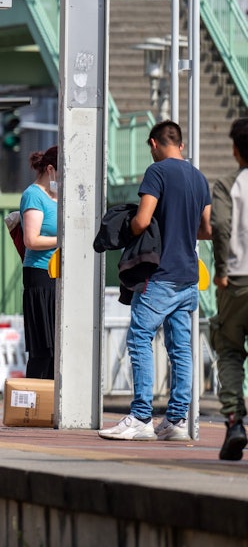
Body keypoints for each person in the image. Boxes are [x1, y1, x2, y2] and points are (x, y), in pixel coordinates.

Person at [99, 121, 211, 442]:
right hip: (188, 277)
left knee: (139, 339)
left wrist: (131, 227)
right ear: (181, 145)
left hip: (159, 275)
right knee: (180, 349)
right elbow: (206, 229)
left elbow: (142, 221)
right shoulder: (198, 177)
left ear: (153, 143)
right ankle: (176, 420)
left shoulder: (157, 172)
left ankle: (140, 417)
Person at [208, 117, 248, 461]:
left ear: (236, 151)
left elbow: (219, 225)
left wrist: (221, 270)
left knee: (230, 349)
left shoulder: (226, 186)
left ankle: (235, 422)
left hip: (235, 282)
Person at [19, 146, 59, 380]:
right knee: (43, 349)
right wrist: (63, 239)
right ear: (50, 169)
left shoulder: (59, 197)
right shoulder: (33, 195)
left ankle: (52, 407)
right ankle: (33, 406)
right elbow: (31, 240)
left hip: (58, 275)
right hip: (40, 274)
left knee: (57, 349)